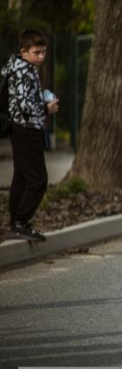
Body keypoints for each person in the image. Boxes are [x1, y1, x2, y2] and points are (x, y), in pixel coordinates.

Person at [2, 29, 59, 242]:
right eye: (36, 52)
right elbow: (25, 106)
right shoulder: (24, 72)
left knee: (22, 177)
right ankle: (19, 222)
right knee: (38, 180)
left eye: (43, 52)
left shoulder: (19, 68)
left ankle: (16, 223)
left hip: (20, 129)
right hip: (26, 130)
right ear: (24, 51)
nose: (41, 57)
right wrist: (47, 109)